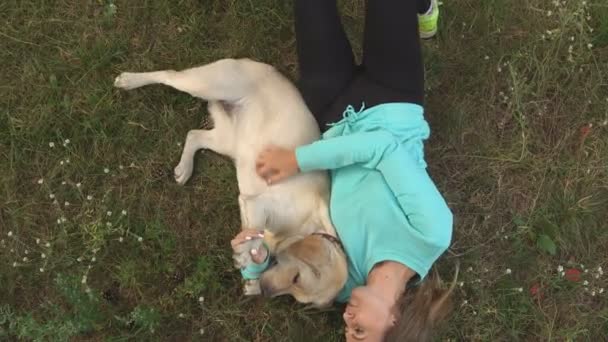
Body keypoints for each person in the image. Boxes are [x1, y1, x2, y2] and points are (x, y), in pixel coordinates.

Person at [232, 0, 453, 340]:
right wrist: (298, 159)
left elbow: (289, 268)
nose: (348, 321)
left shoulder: (340, 282)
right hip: (391, 99)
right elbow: (382, 146)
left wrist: (255, 259)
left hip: (332, 114)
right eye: (360, 331)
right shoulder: (430, 233)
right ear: (395, 324)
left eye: (348, 333)